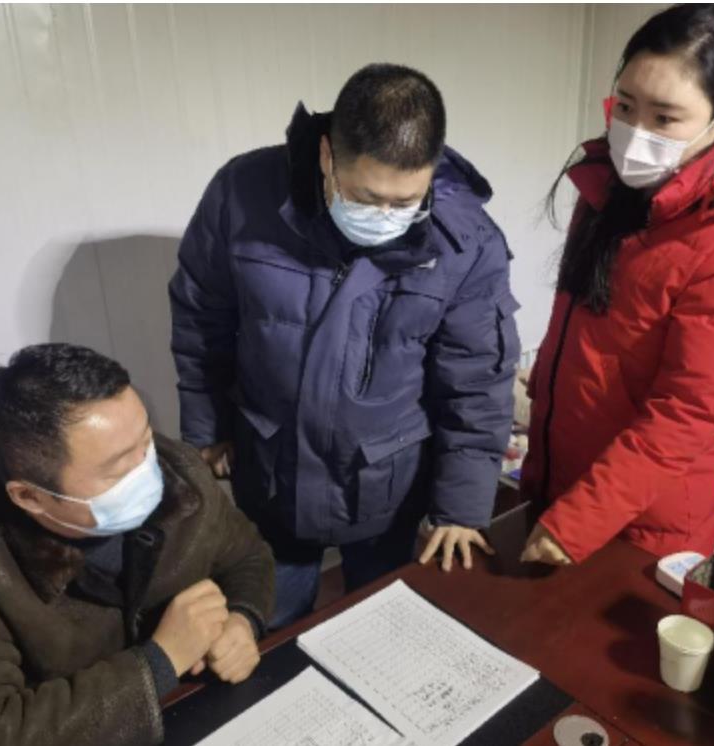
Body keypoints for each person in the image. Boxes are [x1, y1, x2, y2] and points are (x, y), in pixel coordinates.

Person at [170, 63, 519, 628]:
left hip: (385, 481)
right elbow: (201, 316)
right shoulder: (244, 194)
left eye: (406, 201)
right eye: (367, 196)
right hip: (273, 469)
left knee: (380, 623)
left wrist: (461, 506)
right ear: (327, 154)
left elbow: (477, 378)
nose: (386, 217)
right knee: (270, 624)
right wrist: (206, 429)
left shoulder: (466, 240)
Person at [520, 4, 714, 566]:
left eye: (665, 118)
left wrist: (574, 524)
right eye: (625, 106)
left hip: (644, 524)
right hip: (557, 474)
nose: (635, 134)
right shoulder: (608, 188)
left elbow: (686, 413)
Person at [0, 344, 274, 746]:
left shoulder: (177, 470)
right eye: (117, 469)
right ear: (29, 497)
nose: (149, 469)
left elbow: (248, 556)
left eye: (145, 440)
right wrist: (160, 662)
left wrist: (242, 619)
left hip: (196, 715)